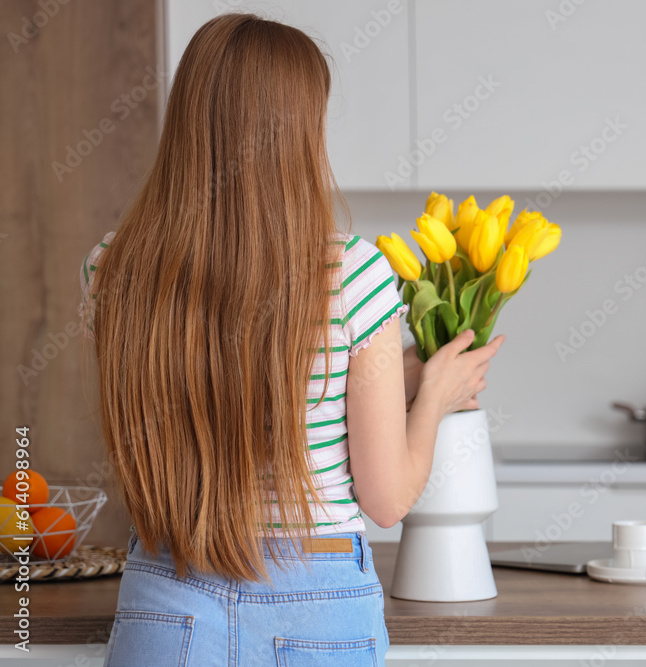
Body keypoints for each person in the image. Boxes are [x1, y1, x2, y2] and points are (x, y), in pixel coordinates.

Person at [79, 13, 503, 666]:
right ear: (297, 132)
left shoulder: (112, 266)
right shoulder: (356, 273)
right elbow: (387, 498)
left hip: (165, 598)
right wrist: (436, 396)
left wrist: (400, 381)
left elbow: (218, 372)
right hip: (317, 605)